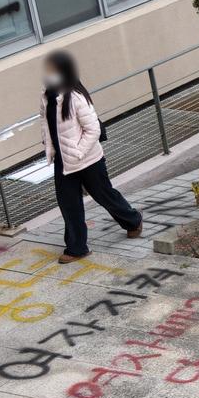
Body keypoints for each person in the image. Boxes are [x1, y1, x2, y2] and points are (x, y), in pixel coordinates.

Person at [39, 50, 142, 264]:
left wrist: (78, 152)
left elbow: (93, 130)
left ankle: (132, 220)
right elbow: (45, 124)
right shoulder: (46, 96)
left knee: (104, 195)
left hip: (88, 160)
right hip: (63, 162)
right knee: (69, 204)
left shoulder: (75, 97)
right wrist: (49, 147)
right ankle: (77, 248)